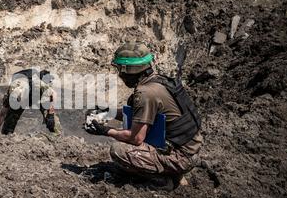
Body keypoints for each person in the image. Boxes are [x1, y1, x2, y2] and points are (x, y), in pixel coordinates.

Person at [85, 42, 203, 190]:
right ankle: (173, 171)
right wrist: (107, 111)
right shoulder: (157, 82)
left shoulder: (145, 93)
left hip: (181, 156)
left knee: (119, 150)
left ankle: (163, 179)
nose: (120, 75)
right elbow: (137, 114)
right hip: (188, 148)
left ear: (127, 70)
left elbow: (136, 138)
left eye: (120, 70)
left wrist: (105, 131)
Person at [0, 68, 61, 135]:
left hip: (35, 93)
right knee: (10, 121)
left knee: (51, 119)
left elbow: (53, 94)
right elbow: (2, 114)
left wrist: (51, 113)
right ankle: (6, 136)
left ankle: (57, 135)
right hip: (22, 90)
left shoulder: (38, 84)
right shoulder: (11, 95)